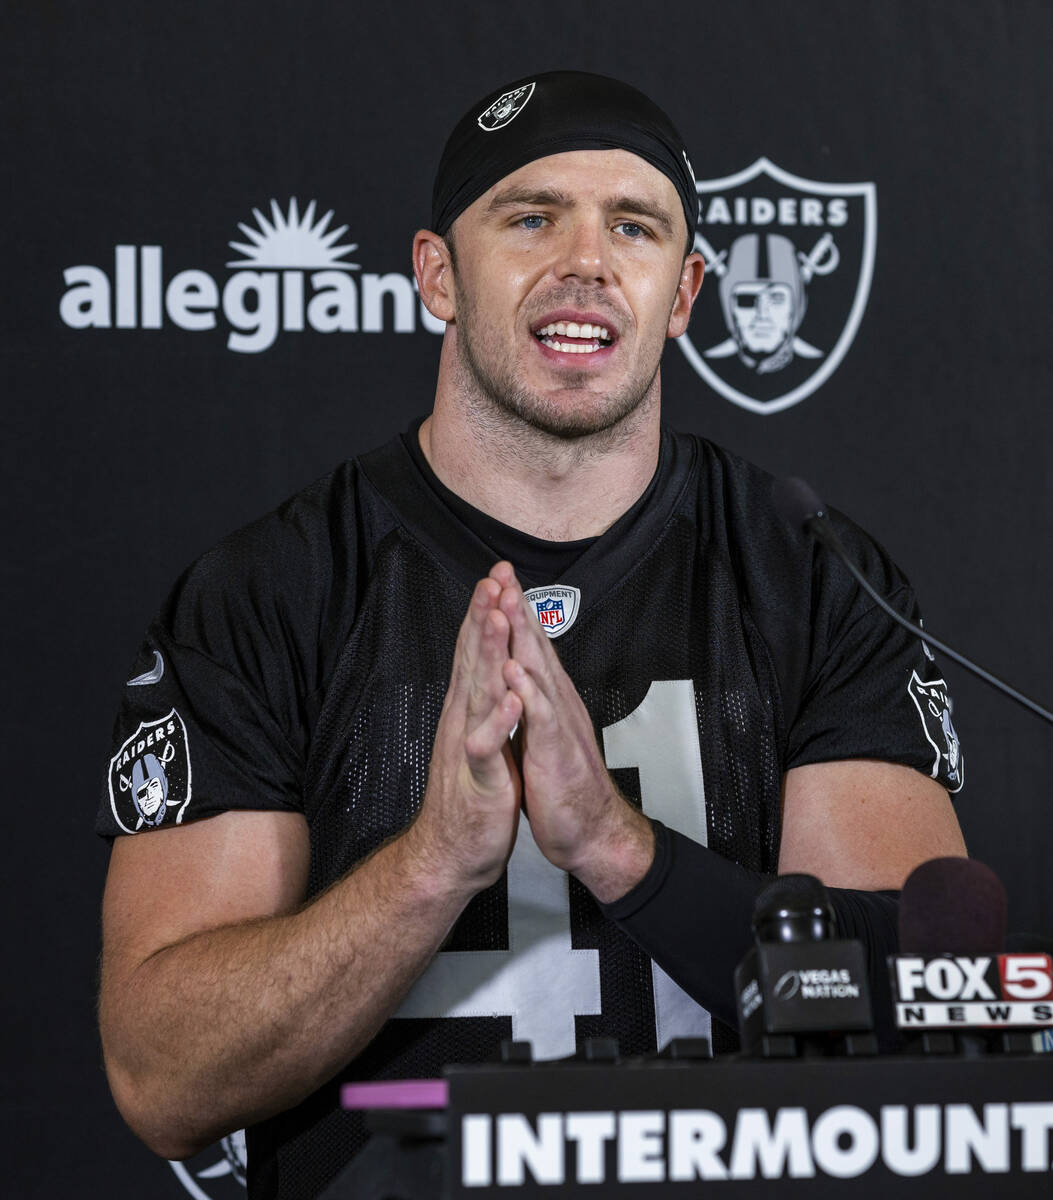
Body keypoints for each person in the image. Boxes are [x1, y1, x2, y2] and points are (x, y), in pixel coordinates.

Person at [96, 71, 968, 1199]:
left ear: (686, 289)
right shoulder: (270, 591)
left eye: (635, 226)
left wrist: (616, 847)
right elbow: (164, 1081)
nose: (587, 261)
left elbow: (921, 1020)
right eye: (531, 216)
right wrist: (434, 864)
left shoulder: (813, 577)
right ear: (436, 276)